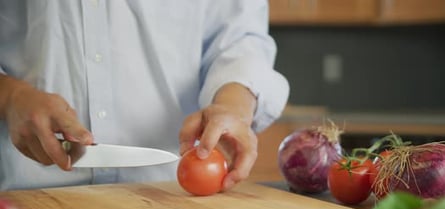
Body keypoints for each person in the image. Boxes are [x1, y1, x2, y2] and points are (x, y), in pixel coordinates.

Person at [0, 1, 289, 190]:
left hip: (170, 202)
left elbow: (240, 39)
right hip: (24, 200)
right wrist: (10, 97)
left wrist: (232, 105)